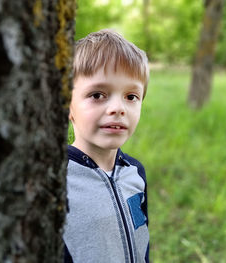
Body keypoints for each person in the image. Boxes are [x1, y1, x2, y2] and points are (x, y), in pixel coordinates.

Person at [63, 29, 150, 263]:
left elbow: (142, 243)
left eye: (131, 96)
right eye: (98, 94)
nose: (118, 108)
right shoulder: (58, 178)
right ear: (67, 104)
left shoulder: (135, 172)